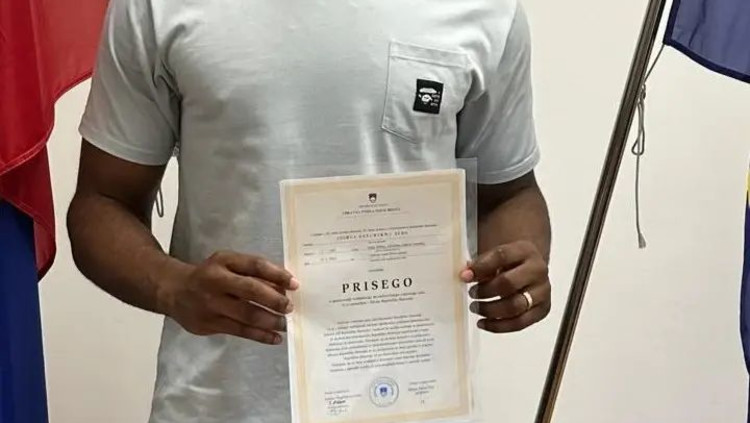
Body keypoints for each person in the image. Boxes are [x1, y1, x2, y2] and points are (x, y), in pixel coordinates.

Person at [67, 0, 552, 421]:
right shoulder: (156, 7)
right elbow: (101, 202)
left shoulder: (486, 10)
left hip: (420, 403)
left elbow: (509, 193)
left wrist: (520, 267)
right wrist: (173, 286)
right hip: (222, 406)